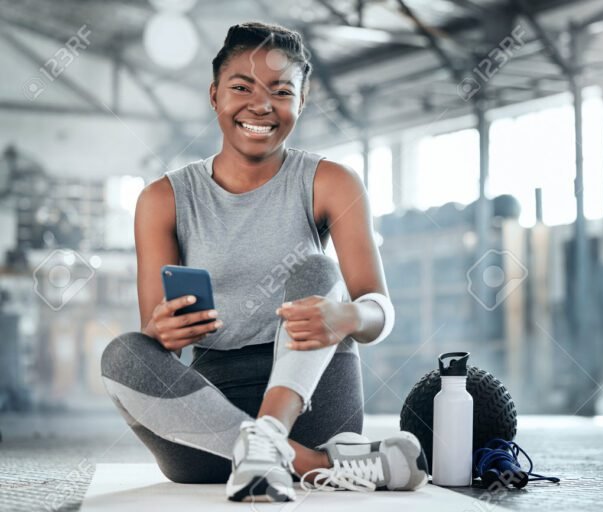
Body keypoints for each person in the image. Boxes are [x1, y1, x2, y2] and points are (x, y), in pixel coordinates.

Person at [100, 21, 428, 502]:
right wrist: (161, 333)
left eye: (280, 91)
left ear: (301, 100)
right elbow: (156, 343)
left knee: (318, 272)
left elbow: (380, 310)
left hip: (316, 400)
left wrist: (348, 315)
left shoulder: (331, 181)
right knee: (122, 354)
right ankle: (311, 463)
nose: (261, 105)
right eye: (241, 87)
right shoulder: (162, 198)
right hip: (210, 423)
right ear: (215, 96)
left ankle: (271, 442)